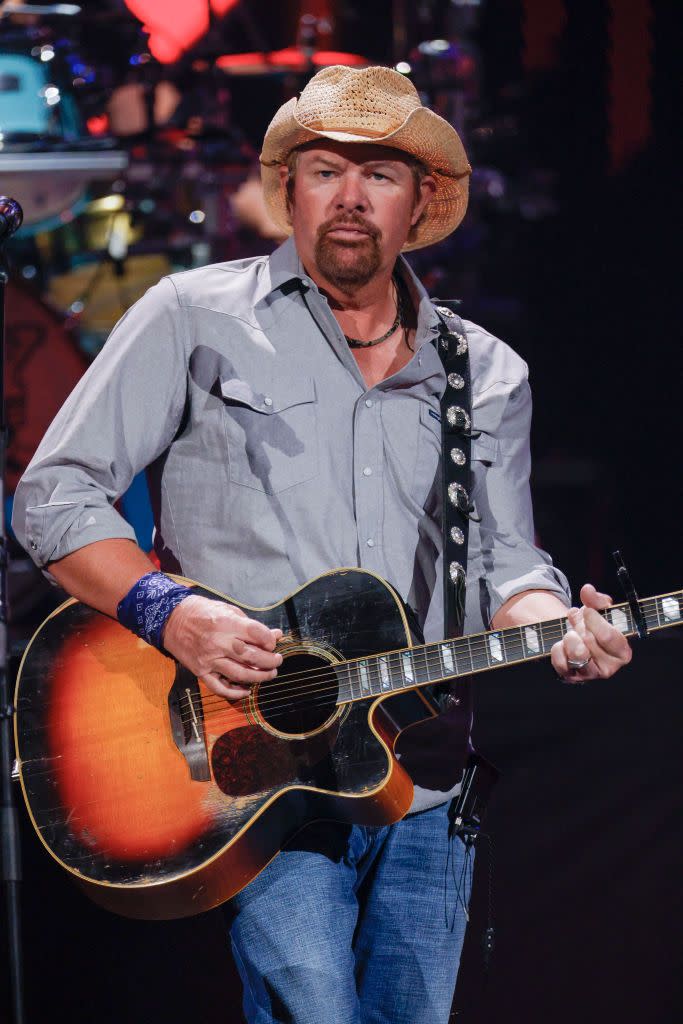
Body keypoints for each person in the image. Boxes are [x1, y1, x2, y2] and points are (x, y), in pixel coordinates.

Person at [13, 65, 631, 1024]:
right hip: (252, 761)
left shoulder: (487, 370)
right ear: (288, 190)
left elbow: (506, 559)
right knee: (312, 1007)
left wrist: (554, 622)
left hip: (421, 770)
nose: (349, 197)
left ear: (420, 199)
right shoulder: (192, 315)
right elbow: (53, 496)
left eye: (378, 173)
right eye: (324, 169)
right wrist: (170, 613)